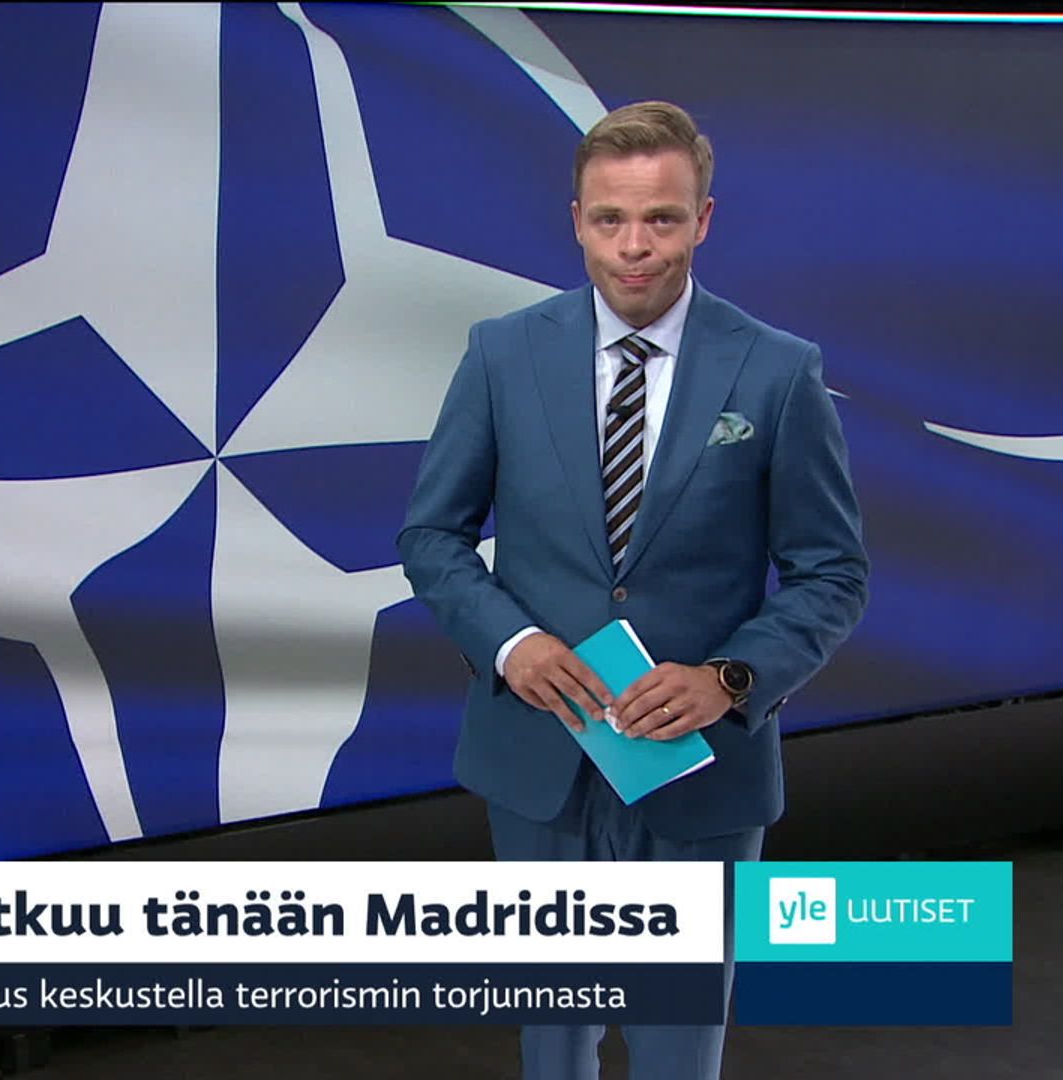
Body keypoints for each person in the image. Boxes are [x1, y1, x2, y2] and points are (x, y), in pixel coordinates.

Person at [397, 101, 868, 1080]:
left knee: (678, 1045)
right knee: (553, 1040)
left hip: (701, 771)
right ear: (577, 219)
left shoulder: (779, 372)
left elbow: (832, 572)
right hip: (540, 763)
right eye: (610, 218)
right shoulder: (502, 354)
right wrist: (513, 645)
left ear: (704, 220)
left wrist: (731, 678)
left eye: (661, 218)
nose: (634, 245)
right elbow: (432, 537)